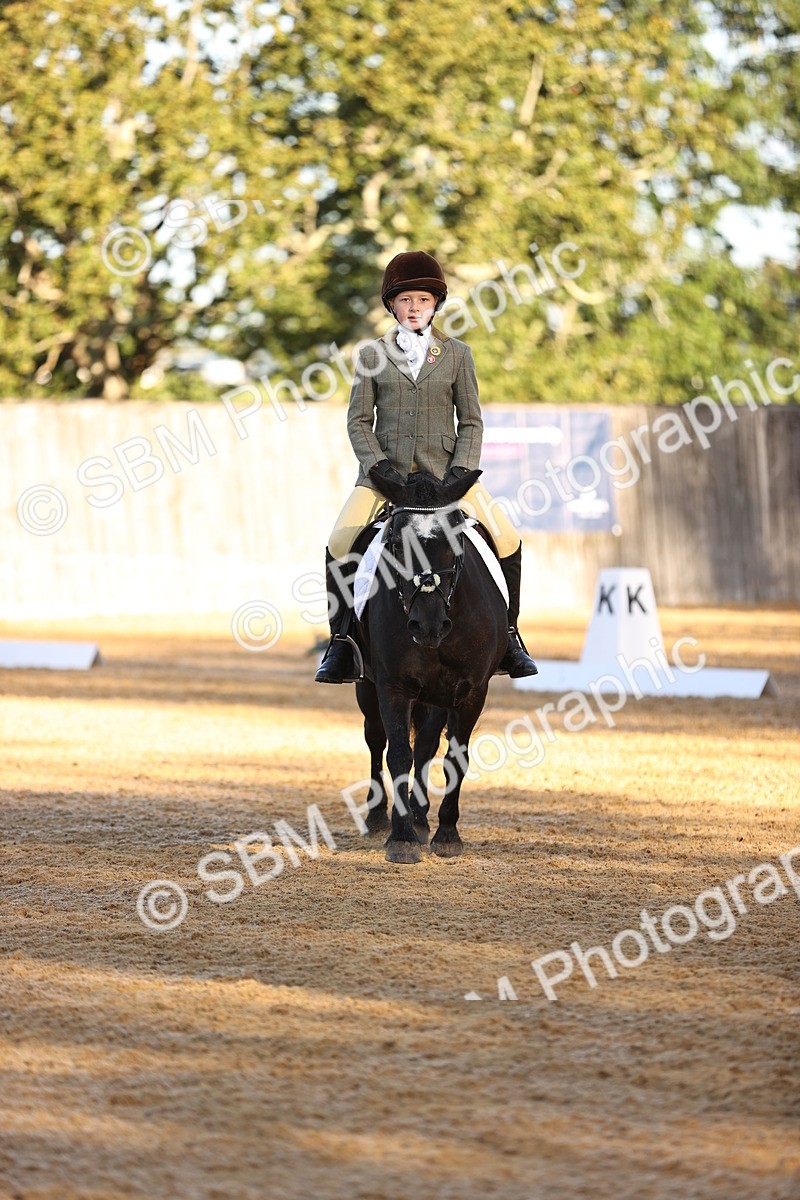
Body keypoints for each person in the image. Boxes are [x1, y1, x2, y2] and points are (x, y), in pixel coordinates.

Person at [315, 249, 538, 684]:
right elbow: (358, 421)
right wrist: (379, 468)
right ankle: (341, 643)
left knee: (507, 538)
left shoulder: (457, 355)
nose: (414, 308)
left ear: (435, 304)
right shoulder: (370, 355)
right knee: (339, 542)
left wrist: (461, 471)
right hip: (386, 480)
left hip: (448, 477)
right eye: (405, 300)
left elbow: (471, 420)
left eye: (422, 300)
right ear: (391, 306)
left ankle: (510, 636)